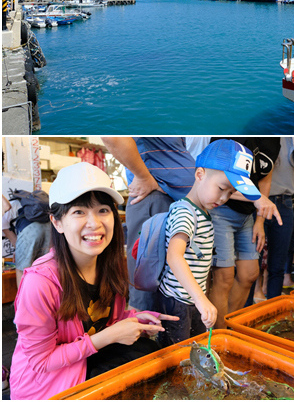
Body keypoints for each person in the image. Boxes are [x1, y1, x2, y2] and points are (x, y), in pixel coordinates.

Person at [9, 163, 178, 400]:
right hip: (48, 382)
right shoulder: (39, 283)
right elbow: (41, 361)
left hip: (86, 357)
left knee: (151, 353)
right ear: (57, 222)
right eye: (79, 211)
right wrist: (111, 336)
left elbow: (102, 322)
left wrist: (134, 318)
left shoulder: (109, 263)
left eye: (103, 210)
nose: (95, 223)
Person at [156, 139, 261, 346]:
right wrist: (201, 299)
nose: (224, 198)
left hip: (193, 298)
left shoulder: (203, 212)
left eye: (230, 193)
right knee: (176, 352)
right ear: (200, 174)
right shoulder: (185, 211)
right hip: (177, 301)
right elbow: (174, 256)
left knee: (195, 347)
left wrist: (200, 298)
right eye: (221, 188)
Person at [100, 138, 195, 311]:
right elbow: (112, 136)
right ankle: (143, 332)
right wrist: (143, 176)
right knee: (148, 273)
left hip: (169, 198)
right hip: (156, 196)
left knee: (161, 272)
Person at [205, 137, 282, 329]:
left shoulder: (275, 138)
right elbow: (220, 179)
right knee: (224, 277)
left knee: (250, 274)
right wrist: (257, 198)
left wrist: (260, 220)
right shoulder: (232, 133)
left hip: (248, 215)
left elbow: (265, 178)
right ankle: (218, 336)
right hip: (221, 209)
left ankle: (228, 327)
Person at [263, 137, 294, 299]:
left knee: (277, 266)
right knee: (251, 267)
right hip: (259, 202)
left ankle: (273, 308)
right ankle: (247, 312)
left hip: (285, 202)